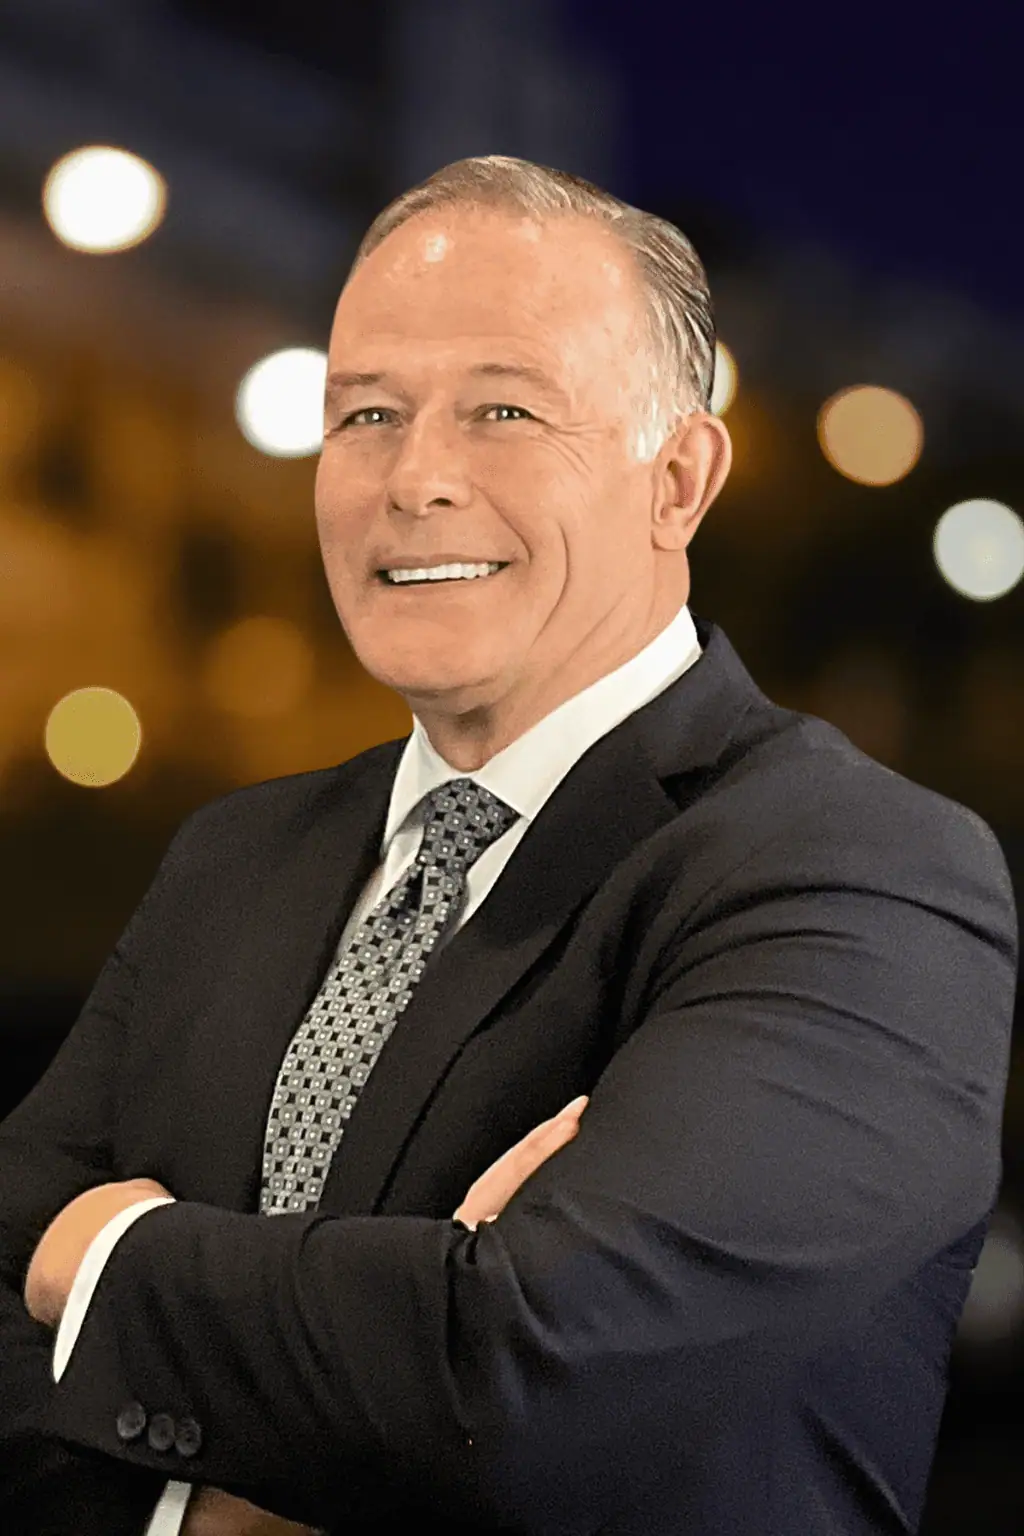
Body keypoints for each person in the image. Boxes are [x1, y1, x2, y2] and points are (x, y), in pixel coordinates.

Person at [0, 154, 1017, 1536]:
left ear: (678, 481)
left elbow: (522, 1377)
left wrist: (95, 1257)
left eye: (503, 409)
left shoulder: (859, 874)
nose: (414, 477)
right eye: (365, 412)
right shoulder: (231, 858)